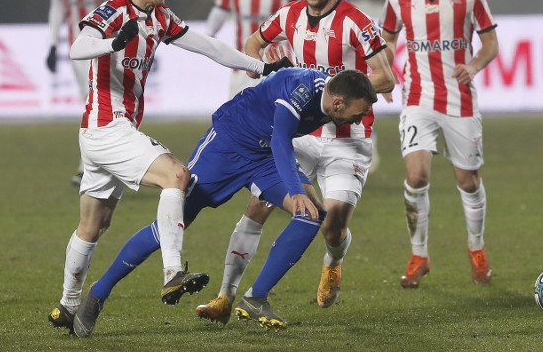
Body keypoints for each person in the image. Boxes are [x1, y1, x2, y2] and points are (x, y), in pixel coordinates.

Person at [46, 0, 293, 334]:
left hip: (101, 133)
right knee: (177, 176)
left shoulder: (158, 16)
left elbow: (208, 46)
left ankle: (67, 305)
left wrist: (259, 67)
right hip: (107, 128)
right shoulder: (113, 12)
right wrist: (113, 43)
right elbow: (77, 46)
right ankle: (172, 272)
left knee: (94, 225)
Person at [68, 68, 378, 336]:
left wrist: (298, 192)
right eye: (360, 112)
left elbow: (278, 142)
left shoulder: (332, 96)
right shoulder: (301, 89)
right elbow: (282, 138)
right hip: (227, 146)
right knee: (175, 221)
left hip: (263, 156)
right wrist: (296, 189)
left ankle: (255, 297)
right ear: (338, 103)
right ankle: (98, 292)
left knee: (311, 215)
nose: (361, 118)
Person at [194, 0, 395, 324]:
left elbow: (385, 76)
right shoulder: (288, 17)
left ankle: (333, 261)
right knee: (257, 206)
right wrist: (262, 65)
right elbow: (255, 43)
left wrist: (337, 88)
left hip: (346, 140)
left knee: (332, 226)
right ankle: (225, 296)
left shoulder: (356, 22)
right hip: (300, 134)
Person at [379, 0, 499, 288]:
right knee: (416, 177)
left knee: (468, 179)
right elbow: (386, 40)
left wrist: (474, 66)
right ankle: (419, 255)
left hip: (459, 100)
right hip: (417, 99)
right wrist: (383, 75)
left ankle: (476, 249)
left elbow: (491, 42)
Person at [45, 0, 129, 187]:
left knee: (113, 103)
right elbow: (57, 6)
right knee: (92, 102)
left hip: (110, 46)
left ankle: (103, 165)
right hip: (80, 47)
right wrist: (51, 44)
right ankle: (93, 167)